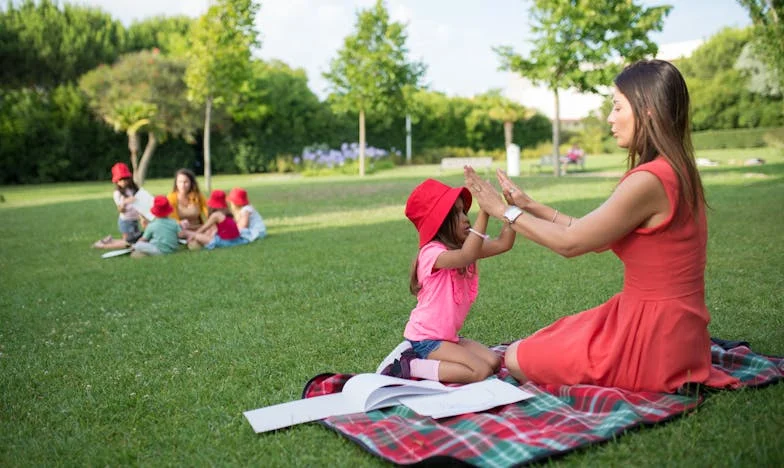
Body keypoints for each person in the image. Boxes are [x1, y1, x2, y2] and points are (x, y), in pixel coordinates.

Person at [464, 59, 739, 393]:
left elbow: (571, 243)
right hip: (674, 328)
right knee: (539, 340)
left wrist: (502, 211)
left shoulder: (650, 179)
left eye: (617, 107)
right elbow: (594, 236)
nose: (610, 118)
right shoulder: (675, 168)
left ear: (648, 110)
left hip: (654, 339)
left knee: (517, 358)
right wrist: (528, 205)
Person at [379, 178, 516, 384]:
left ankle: (428, 360)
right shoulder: (432, 254)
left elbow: (504, 243)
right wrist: (484, 212)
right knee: (479, 371)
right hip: (426, 339)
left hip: (447, 338)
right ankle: (410, 366)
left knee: (494, 363)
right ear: (440, 223)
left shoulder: (464, 248)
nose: (465, 218)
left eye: (465, 212)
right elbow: (466, 256)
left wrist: (511, 208)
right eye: (457, 214)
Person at [92, 162, 142, 250]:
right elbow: (120, 210)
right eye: (121, 180)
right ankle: (103, 245)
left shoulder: (132, 189)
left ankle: (110, 240)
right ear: (116, 181)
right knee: (127, 243)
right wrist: (125, 202)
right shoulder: (117, 193)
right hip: (126, 221)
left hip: (135, 219)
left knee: (135, 240)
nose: (124, 182)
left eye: (126, 179)